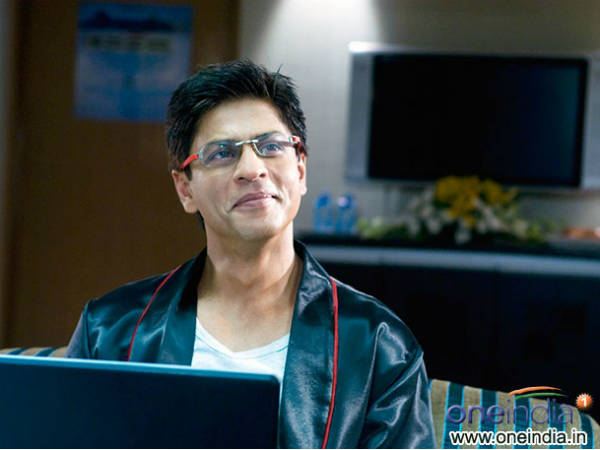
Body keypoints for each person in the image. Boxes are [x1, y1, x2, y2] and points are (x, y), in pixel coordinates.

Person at [66, 60, 435, 448]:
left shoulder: (378, 345)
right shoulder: (109, 331)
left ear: (301, 170)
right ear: (185, 189)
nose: (252, 169)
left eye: (271, 146)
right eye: (222, 153)